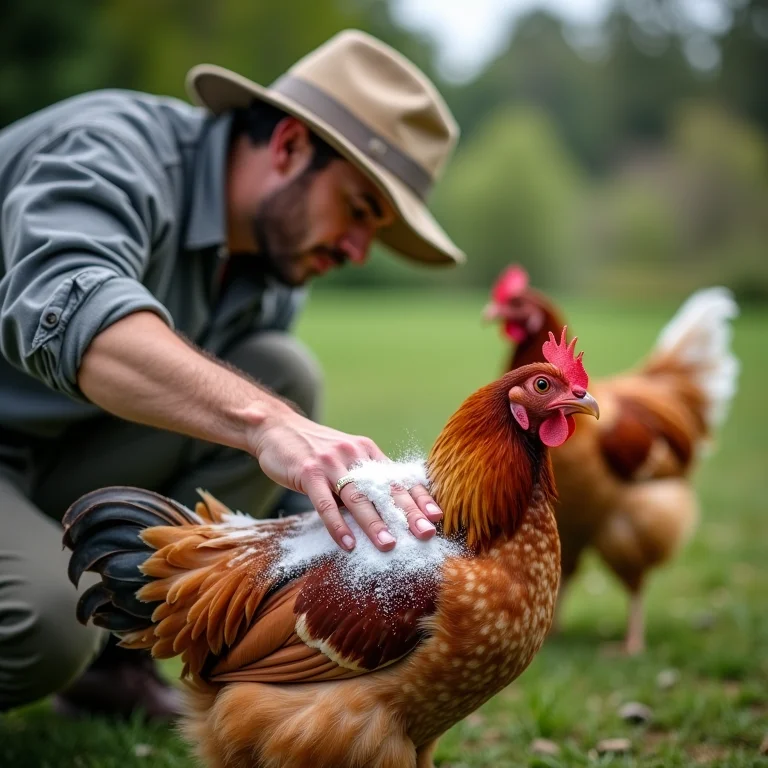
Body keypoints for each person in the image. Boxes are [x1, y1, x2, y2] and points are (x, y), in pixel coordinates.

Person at [0, 30, 465, 718]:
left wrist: (353, 564)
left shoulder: (270, 271)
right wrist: (270, 423)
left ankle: (116, 664)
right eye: (361, 210)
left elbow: (251, 487)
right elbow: (69, 312)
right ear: (287, 148)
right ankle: (74, 641)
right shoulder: (112, 150)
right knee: (39, 624)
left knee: (279, 372)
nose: (359, 250)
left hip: (47, 452)